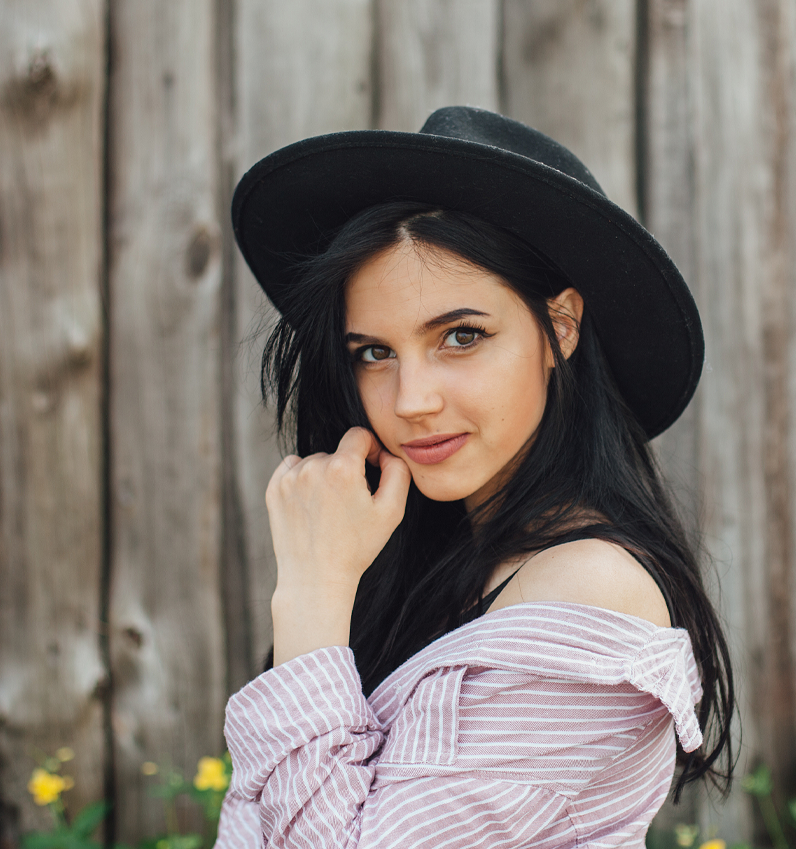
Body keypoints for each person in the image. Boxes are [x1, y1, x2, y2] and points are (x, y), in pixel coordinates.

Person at [217, 106, 736, 847]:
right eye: (373, 351)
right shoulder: (438, 564)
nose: (411, 399)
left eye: (462, 336)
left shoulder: (589, 597)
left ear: (559, 326)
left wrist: (310, 590)